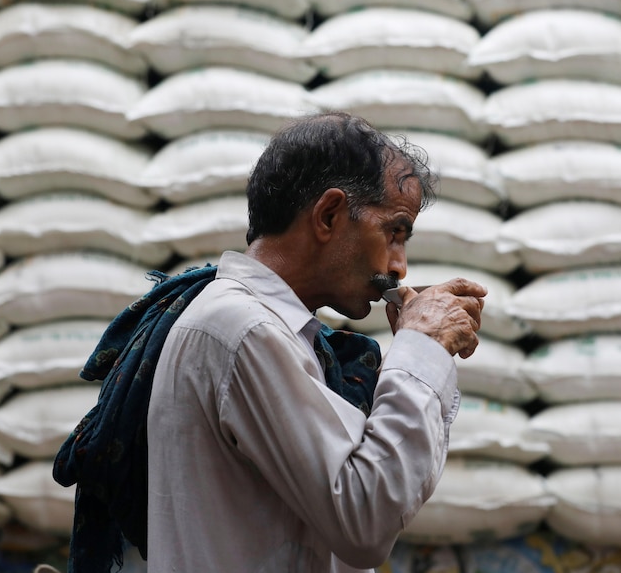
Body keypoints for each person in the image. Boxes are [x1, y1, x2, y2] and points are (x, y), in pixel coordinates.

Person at [146, 111, 487, 572]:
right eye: (394, 232)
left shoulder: (270, 330)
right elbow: (364, 520)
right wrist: (420, 347)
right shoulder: (245, 330)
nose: (399, 266)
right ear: (328, 215)